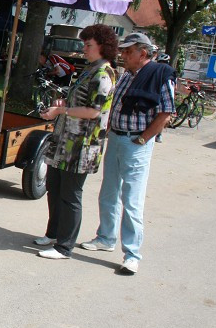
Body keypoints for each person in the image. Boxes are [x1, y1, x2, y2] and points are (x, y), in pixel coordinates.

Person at [80, 32, 176, 274]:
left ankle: (132, 254)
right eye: (123, 51)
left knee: (131, 199)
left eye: (128, 51)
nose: (123, 55)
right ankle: (105, 238)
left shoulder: (160, 75)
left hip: (136, 143)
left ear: (143, 53)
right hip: (116, 138)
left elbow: (165, 113)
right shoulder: (125, 76)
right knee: (108, 191)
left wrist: (143, 139)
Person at [34, 24, 118, 260]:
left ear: (103, 46)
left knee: (70, 195)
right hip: (67, 142)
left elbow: (94, 111)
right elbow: (78, 102)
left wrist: (63, 111)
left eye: (88, 45)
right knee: (54, 187)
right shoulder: (90, 69)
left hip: (82, 146)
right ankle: (53, 234)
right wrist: (63, 106)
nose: (84, 49)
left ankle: (64, 246)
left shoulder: (104, 74)